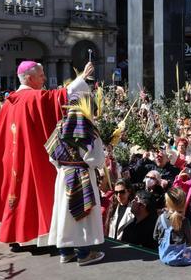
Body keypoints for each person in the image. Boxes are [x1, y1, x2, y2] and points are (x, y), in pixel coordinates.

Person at [0, 61, 93, 245]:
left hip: (14, 159)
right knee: (34, 194)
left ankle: (16, 237)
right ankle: (34, 238)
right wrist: (82, 78)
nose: (45, 79)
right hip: (31, 159)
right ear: (29, 78)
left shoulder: (12, 100)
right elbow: (58, 97)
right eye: (41, 75)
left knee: (18, 195)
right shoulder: (31, 98)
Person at [46, 92, 106, 266]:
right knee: (83, 216)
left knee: (64, 213)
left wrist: (65, 167)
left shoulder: (59, 127)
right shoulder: (89, 130)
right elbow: (97, 160)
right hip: (83, 176)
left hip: (64, 176)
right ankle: (84, 254)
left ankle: (65, 252)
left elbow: (51, 156)